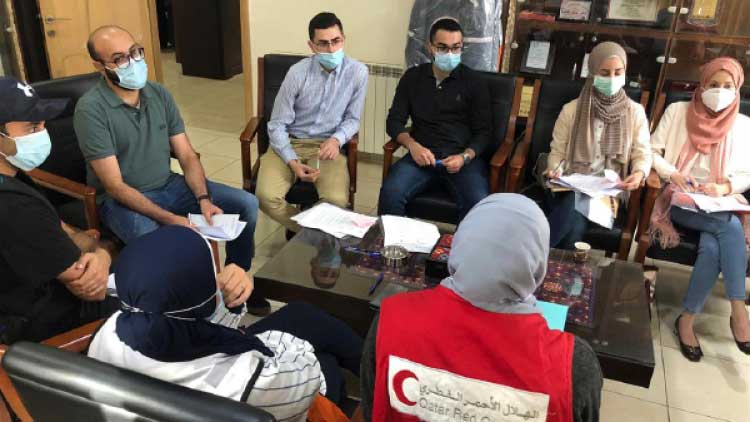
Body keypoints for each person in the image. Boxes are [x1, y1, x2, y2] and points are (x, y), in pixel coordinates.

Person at [74, 25, 267, 314]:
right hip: (122, 201)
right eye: (120, 58)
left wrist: (203, 198)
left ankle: (236, 282)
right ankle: (187, 305)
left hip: (169, 185)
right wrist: (172, 220)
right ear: (99, 66)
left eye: (135, 52)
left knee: (246, 204)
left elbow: (187, 155)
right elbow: (115, 186)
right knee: (166, 242)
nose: (133, 62)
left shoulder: (158, 94)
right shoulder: (90, 110)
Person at [361, 194, 602, 422]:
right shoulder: (572, 366)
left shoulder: (391, 320)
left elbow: (374, 410)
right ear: (538, 263)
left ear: (460, 244)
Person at [88, 225, 364, 421]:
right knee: (327, 363)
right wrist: (280, 343)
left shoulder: (111, 330)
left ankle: (370, 369)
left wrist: (229, 302)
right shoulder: (248, 377)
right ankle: (375, 382)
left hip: (185, 384)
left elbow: (189, 327)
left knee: (300, 314)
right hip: (269, 389)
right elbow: (305, 379)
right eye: (212, 276)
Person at [0, 77, 118, 343]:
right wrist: (104, 253)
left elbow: (62, 228)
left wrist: (94, 249)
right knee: (149, 301)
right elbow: (90, 287)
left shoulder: (12, 174)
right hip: (37, 326)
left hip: (40, 293)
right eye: (32, 127)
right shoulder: (15, 206)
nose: (43, 133)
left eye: (43, 124)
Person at [649, 57, 750, 361]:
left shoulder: (744, 125)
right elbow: (651, 151)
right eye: (713, 84)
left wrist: (726, 187)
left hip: (720, 202)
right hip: (681, 198)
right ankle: (739, 310)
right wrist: (673, 174)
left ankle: (687, 319)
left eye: (728, 86)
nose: (720, 91)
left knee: (713, 248)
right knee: (729, 226)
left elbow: (747, 173)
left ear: (738, 89)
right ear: (702, 85)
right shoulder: (677, 111)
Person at [258, 12, 367, 232]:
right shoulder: (297, 73)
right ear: (312, 46)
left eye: (336, 41)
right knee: (265, 196)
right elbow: (277, 124)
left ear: (343, 39)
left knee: (336, 200)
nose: (331, 49)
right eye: (323, 43)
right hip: (289, 142)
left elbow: (353, 119)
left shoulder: (358, 72)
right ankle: (308, 233)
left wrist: (336, 140)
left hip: (326, 145)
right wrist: (292, 161)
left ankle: (306, 232)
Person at [378, 18, 491, 222]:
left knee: (478, 203)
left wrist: (464, 157)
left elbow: (484, 132)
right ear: (430, 47)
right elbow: (394, 121)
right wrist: (413, 146)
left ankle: (460, 244)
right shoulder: (413, 78)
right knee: (390, 193)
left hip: (461, 160)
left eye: (456, 48)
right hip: (421, 157)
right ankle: (395, 242)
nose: (450, 53)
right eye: (443, 47)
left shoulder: (474, 82)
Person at [545, 41, 652, 249]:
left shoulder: (635, 112)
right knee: (573, 217)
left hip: (609, 192)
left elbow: (643, 153)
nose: (612, 78)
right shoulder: (571, 110)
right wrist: (555, 169)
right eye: (604, 73)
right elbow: (557, 152)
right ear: (593, 73)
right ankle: (549, 263)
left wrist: (639, 173)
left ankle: (533, 255)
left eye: (618, 72)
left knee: (573, 219)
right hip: (571, 185)